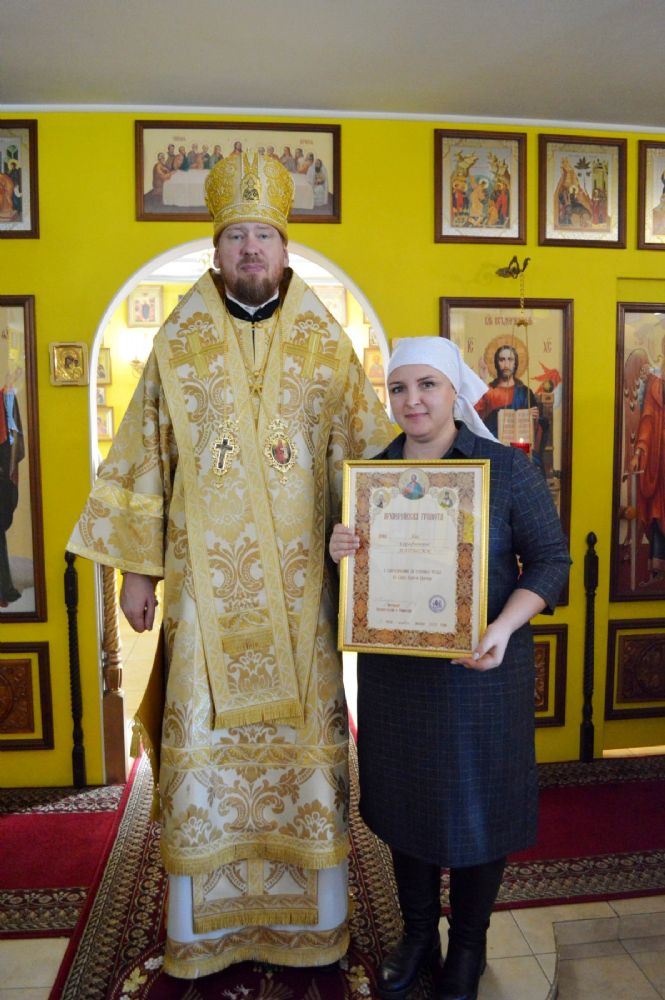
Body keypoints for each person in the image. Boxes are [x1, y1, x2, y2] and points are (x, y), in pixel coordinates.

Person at [68, 151, 393, 979]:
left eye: (264, 235)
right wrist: (137, 573)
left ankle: (309, 930)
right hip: (201, 606)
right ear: (216, 249)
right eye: (236, 235)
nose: (250, 248)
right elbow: (144, 456)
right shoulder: (176, 344)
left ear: (285, 248)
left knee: (300, 750)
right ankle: (203, 936)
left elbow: (367, 463)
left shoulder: (326, 345)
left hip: (301, 598)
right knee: (203, 747)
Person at [329, 337, 569, 1000]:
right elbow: (355, 585)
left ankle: (466, 945)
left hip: (479, 675)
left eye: (427, 385)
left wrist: (502, 627)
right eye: (399, 388)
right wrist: (339, 548)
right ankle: (416, 936)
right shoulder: (370, 475)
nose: (412, 401)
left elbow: (551, 562)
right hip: (396, 677)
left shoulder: (505, 470)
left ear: (454, 390)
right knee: (405, 804)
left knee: (476, 808)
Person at [474, 343, 548, 470]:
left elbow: (537, 429)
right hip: (494, 449)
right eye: (502, 360)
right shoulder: (489, 391)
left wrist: (534, 419)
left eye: (510, 359)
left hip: (521, 452)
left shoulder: (524, 392)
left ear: (515, 363)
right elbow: (476, 417)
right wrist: (482, 380)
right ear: (497, 363)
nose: (506, 364)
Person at [630, 340, 665, 581]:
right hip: (658, 457)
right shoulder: (655, 383)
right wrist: (639, 451)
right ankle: (657, 567)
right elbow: (647, 420)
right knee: (657, 509)